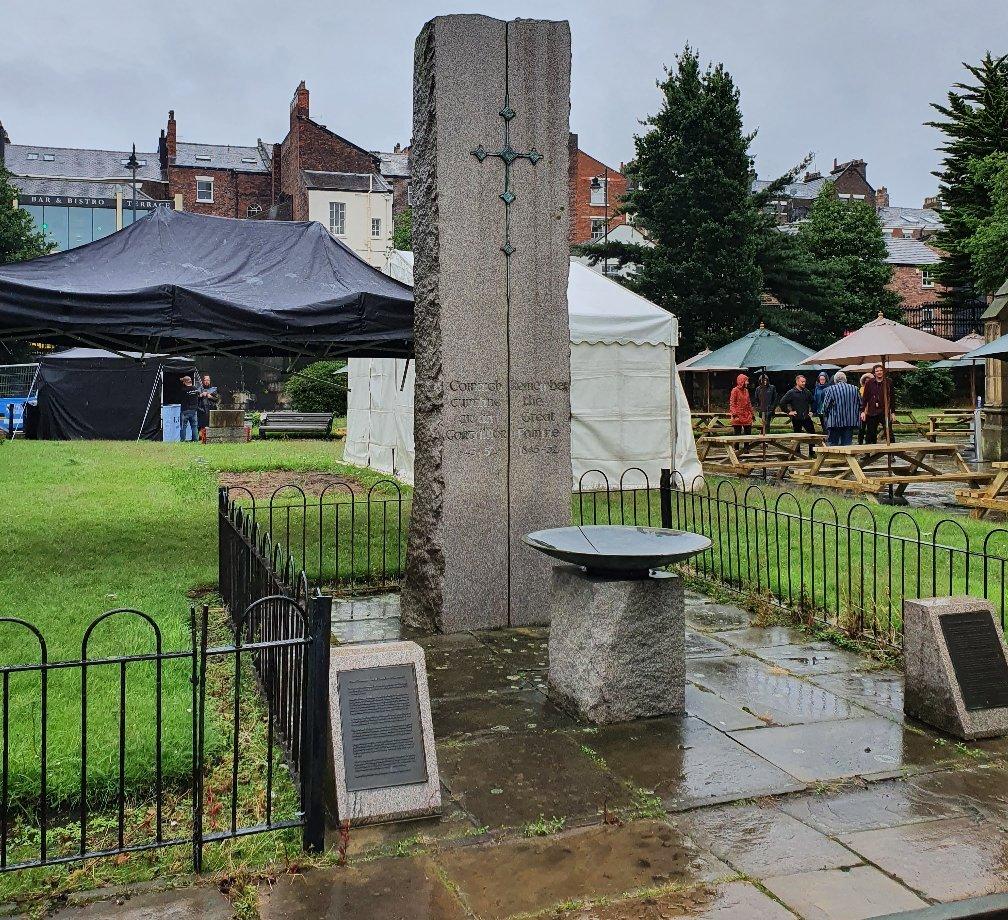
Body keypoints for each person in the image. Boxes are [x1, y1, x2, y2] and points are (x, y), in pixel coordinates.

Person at [821, 371, 862, 446]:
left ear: (835, 380)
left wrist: (826, 416)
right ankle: (846, 458)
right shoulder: (855, 388)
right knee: (847, 445)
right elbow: (860, 404)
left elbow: (825, 406)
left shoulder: (831, 389)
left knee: (833, 444)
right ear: (845, 379)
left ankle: (834, 458)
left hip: (835, 421)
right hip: (850, 421)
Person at [778, 374, 816, 456]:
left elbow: (813, 402)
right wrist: (788, 412)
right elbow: (782, 402)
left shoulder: (807, 392)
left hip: (806, 417)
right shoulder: (791, 392)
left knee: (812, 434)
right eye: (802, 382)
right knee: (797, 436)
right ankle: (797, 453)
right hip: (796, 418)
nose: (804, 383)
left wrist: (812, 411)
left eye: (805, 382)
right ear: (797, 382)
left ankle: (812, 453)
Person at [862, 363, 895, 444]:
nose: (879, 372)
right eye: (877, 371)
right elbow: (865, 398)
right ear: (874, 373)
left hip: (885, 411)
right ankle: (869, 453)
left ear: (884, 372)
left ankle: (893, 453)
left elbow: (892, 398)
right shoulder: (869, 383)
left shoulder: (888, 382)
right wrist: (862, 411)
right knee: (870, 433)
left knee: (889, 432)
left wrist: (893, 412)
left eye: (881, 370)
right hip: (872, 411)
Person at [179, 375, 201, 442]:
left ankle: (182, 440)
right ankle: (196, 440)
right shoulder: (195, 389)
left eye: (183, 381)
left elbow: (179, 399)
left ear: (185, 382)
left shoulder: (183, 390)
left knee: (183, 427)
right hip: (194, 411)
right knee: (194, 426)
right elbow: (199, 396)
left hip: (185, 410)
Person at [857, 373, 872, 444]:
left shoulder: (874, 389)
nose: (867, 382)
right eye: (866, 380)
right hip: (863, 411)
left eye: (868, 380)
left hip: (871, 412)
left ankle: (868, 442)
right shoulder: (861, 389)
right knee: (861, 429)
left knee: (870, 429)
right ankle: (860, 442)